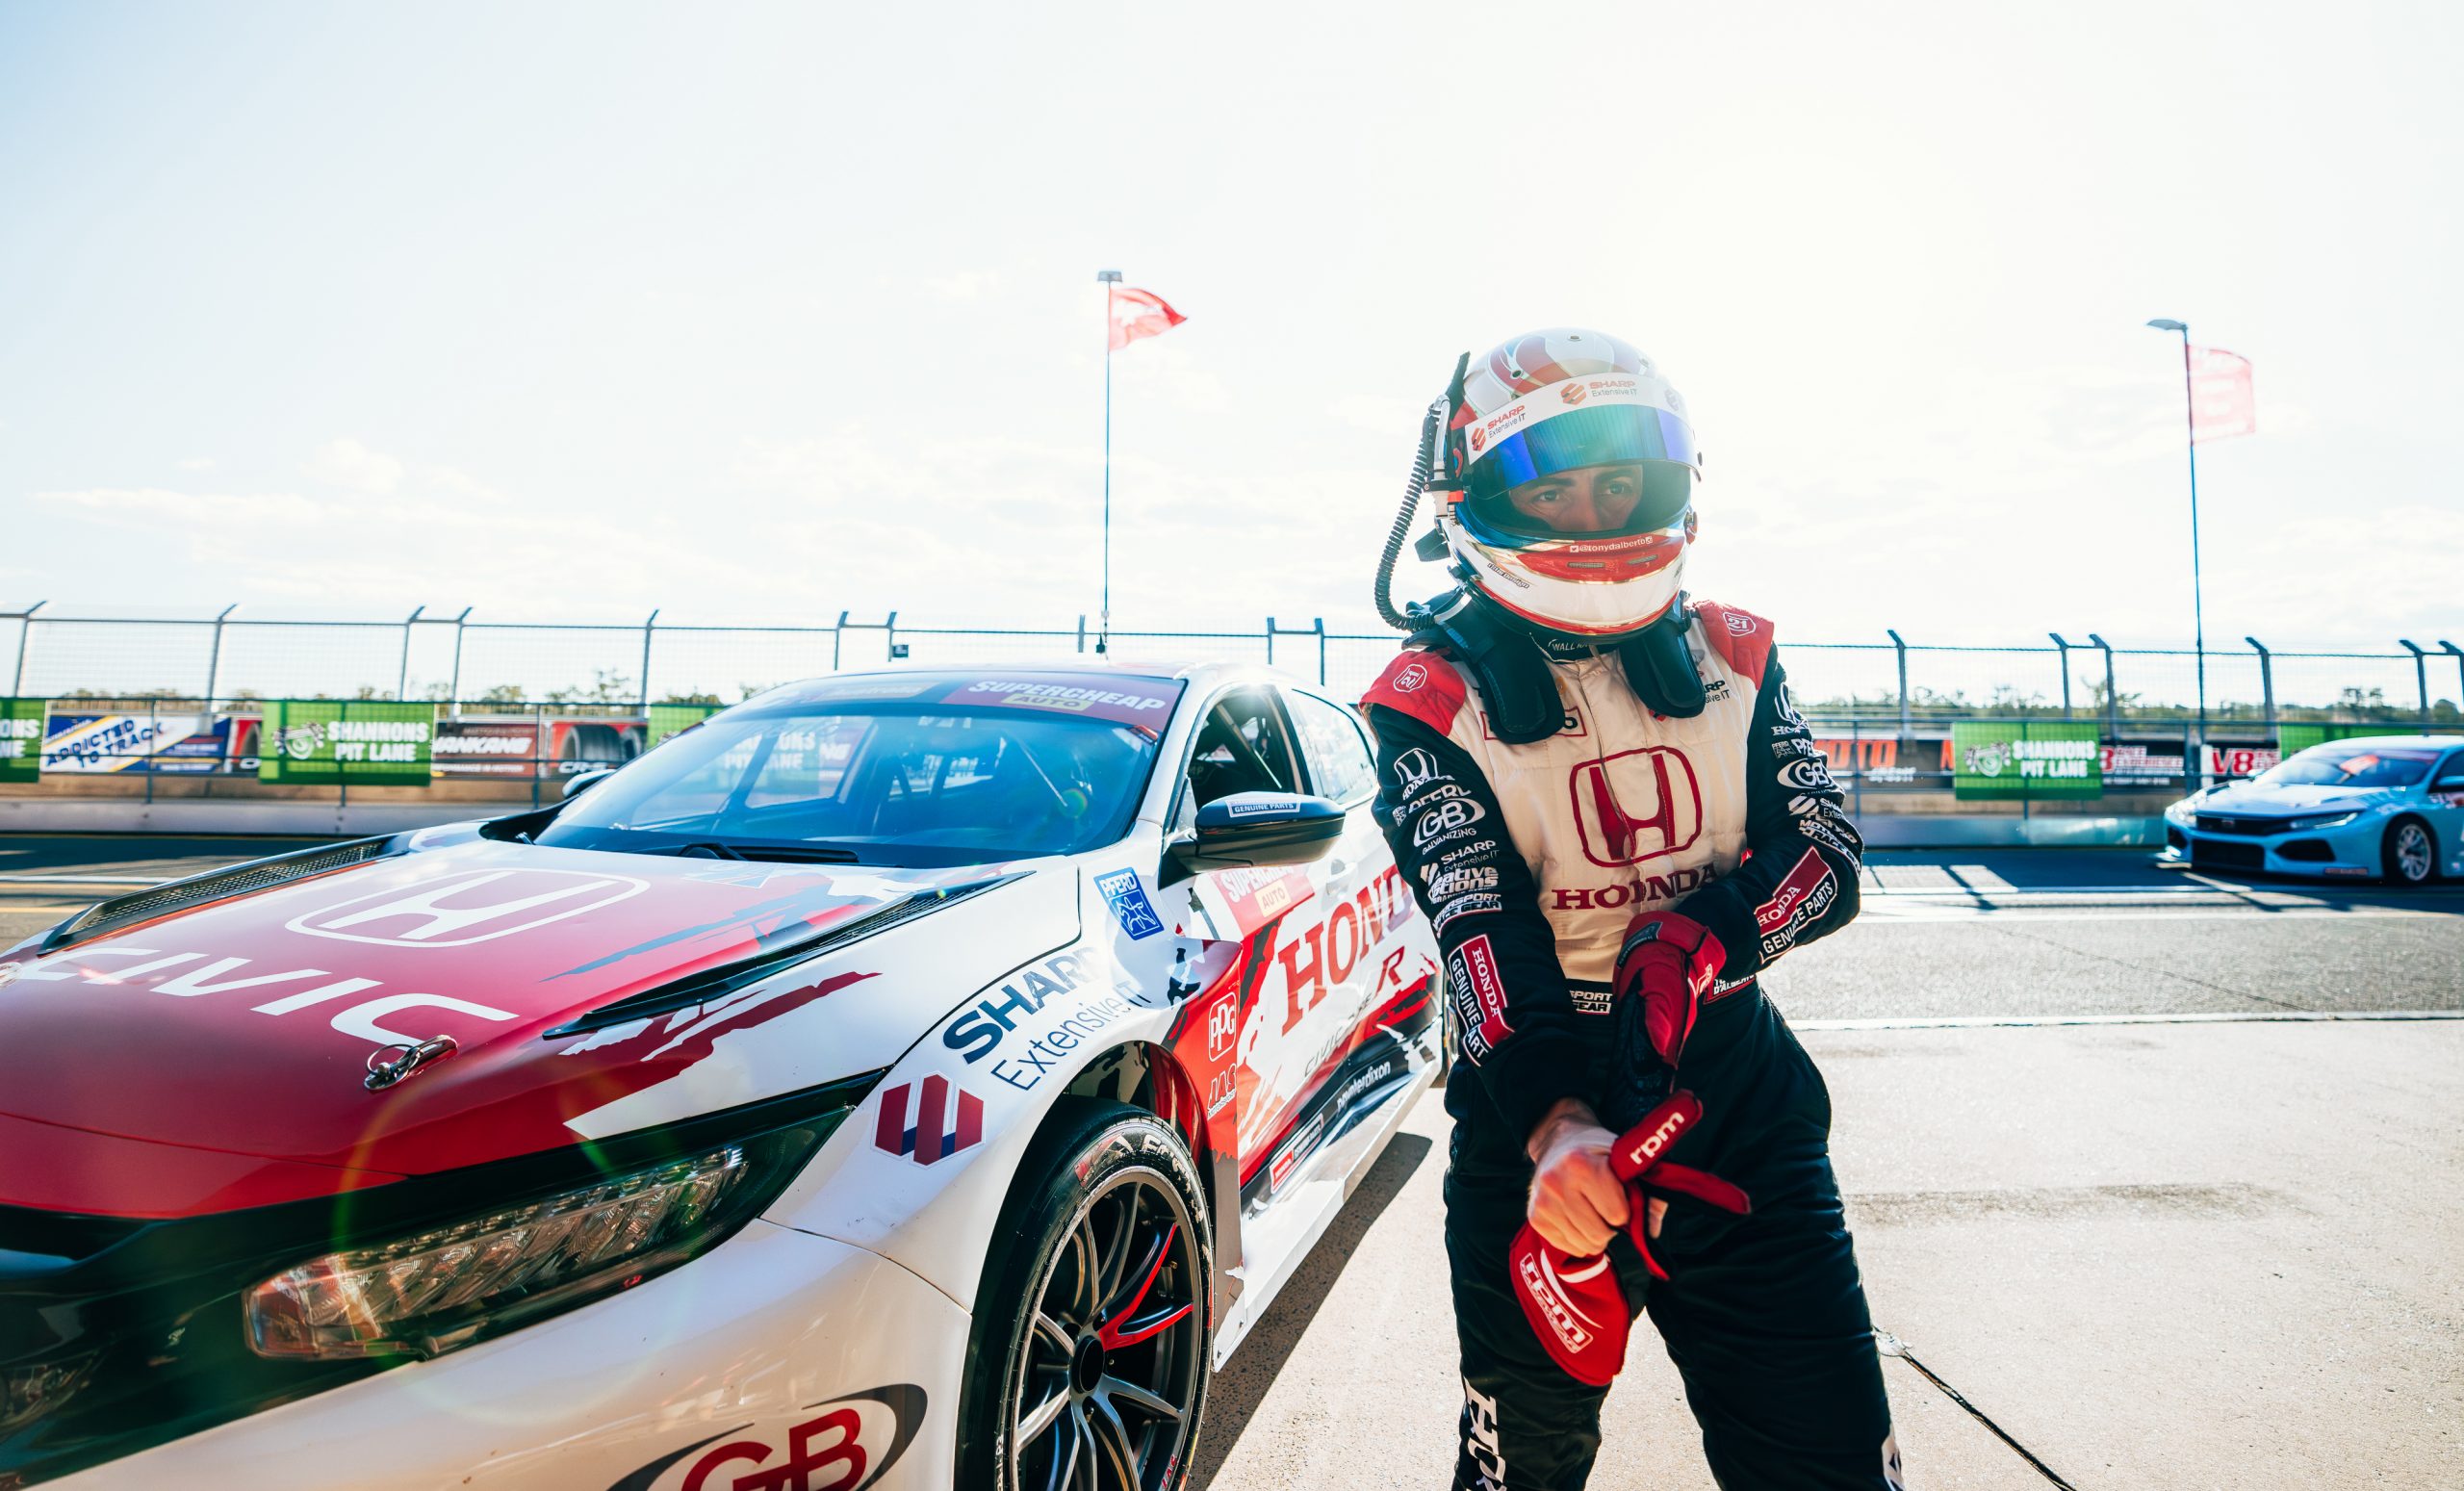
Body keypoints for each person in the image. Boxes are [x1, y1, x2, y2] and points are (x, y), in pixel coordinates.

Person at [1359, 328, 1901, 1490]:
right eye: (1553, 487)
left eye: (1617, 482)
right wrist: (1556, 1121)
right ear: (1471, 498)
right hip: (1537, 1127)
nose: (1593, 517)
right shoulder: (1425, 699)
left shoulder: (1736, 651)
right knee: (1520, 1475)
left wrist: (1704, 932)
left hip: (1738, 1101)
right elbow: (1477, 930)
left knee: (1836, 1467)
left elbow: (1827, 855)